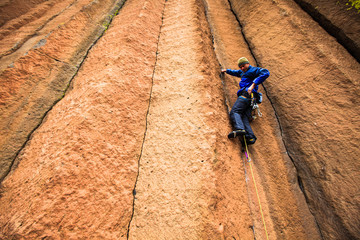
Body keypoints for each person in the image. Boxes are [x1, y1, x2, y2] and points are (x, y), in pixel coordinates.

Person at [221, 57, 270, 144]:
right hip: (252, 99)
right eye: (240, 67)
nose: (242, 68)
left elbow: (266, 73)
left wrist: (253, 85)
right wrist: (226, 70)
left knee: (235, 112)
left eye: (243, 66)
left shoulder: (253, 70)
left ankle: (239, 129)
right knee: (244, 117)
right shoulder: (243, 72)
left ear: (248, 63)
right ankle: (250, 137)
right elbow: (236, 72)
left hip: (247, 94)